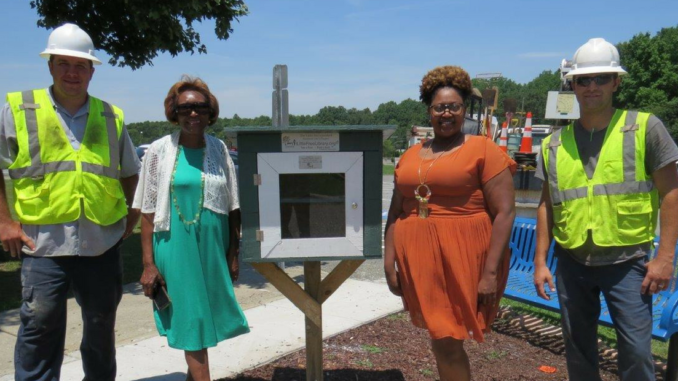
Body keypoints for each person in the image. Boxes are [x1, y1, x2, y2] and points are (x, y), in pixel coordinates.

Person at [0, 23, 140, 380]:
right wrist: (5, 222)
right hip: (43, 245)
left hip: (101, 244)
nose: (72, 73)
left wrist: (127, 217)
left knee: (100, 331)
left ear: (92, 70)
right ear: (50, 66)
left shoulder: (111, 116)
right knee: (39, 328)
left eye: (80, 65)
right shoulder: (18, 110)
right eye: (64, 64)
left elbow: (130, 173)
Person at [533, 38, 678, 381]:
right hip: (572, 262)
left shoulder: (645, 128)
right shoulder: (553, 144)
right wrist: (540, 262)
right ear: (573, 85)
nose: (592, 86)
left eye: (601, 78)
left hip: (627, 263)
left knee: (636, 352)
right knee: (579, 350)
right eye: (584, 79)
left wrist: (665, 258)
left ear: (616, 82)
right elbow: (545, 205)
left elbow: (671, 193)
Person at [383, 65, 516, 381]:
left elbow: (505, 213)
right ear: (429, 110)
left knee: (446, 342)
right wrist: (388, 261)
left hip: (463, 258)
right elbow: (395, 211)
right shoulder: (411, 155)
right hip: (421, 263)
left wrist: (490, 273)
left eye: (454, 107)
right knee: (439, 339)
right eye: (439, 107)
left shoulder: (483, 149)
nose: (446, 114)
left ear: (464, 109)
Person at [133, 76, 249, 381]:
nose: (193, 113)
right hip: (175, 246)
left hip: (212, 246)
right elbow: (146, 213)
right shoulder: (158, 152)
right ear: (174, 112)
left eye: (200, 106)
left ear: (211, 112)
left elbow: (232, 206)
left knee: (204, 315)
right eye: (185, 108)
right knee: (192, 319)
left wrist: (234, 252)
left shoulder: (220, 149)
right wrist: (148, 264)